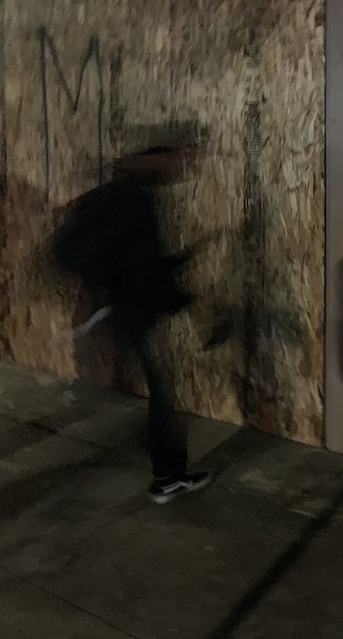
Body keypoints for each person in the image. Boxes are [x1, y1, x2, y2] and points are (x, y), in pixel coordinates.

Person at [54, 143, 212, 504]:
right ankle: (167, 476)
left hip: (122, 307)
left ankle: (166, 469)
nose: (179, 170)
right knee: (161, 394)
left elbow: (134, 260)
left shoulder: (119, 196)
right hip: (134, 308)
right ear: (152, 162)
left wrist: (172, 266)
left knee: (159, 390)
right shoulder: (135, 201)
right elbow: (143, 268)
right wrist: (182, 298)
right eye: (175, 162)